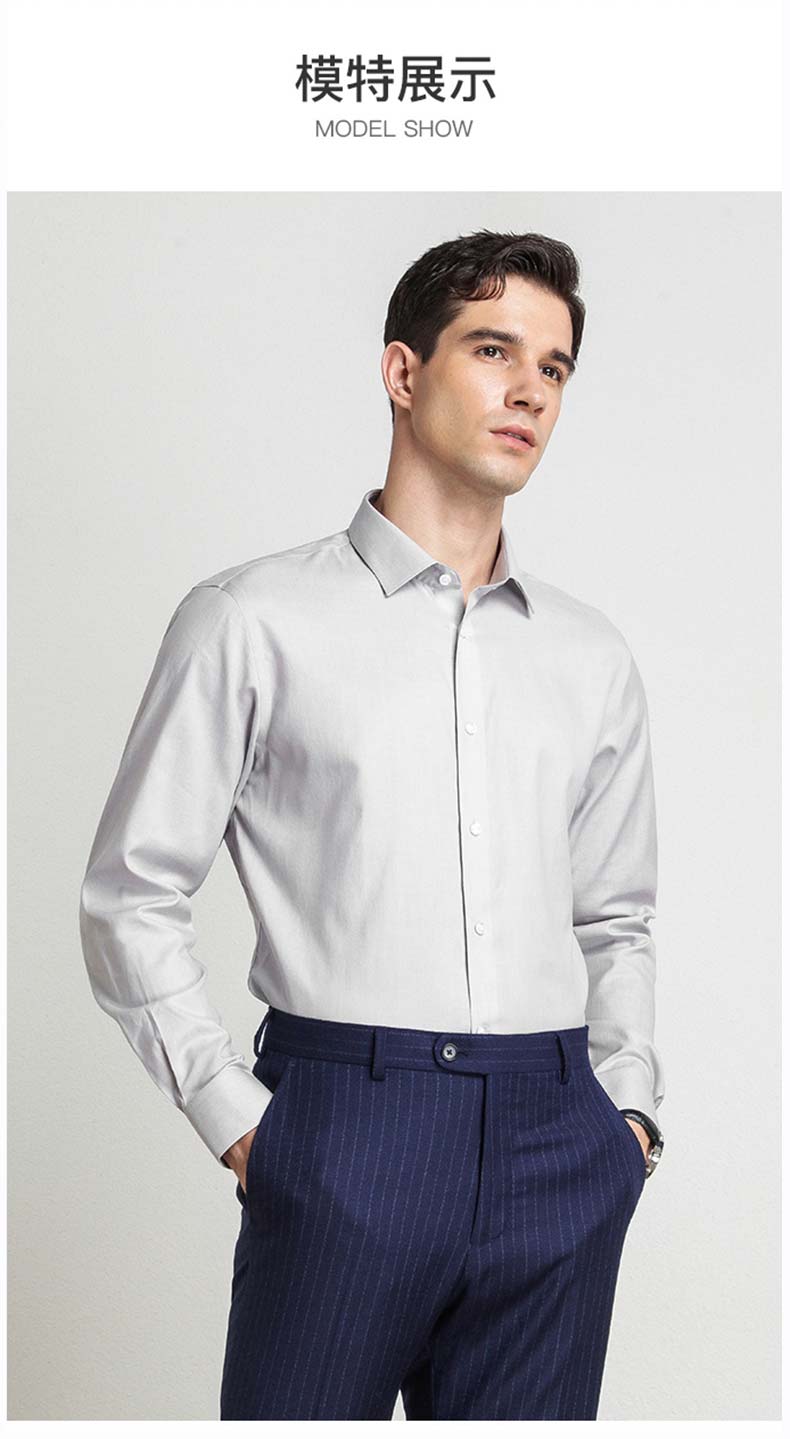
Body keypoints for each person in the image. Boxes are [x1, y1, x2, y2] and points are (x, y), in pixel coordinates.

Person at [79, 228, 666, 1421]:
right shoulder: (251, 619)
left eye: (552, 366)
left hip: (558, 1136)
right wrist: (242, 1124)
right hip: (344, 1127)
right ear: (403, 371)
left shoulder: (589, 655)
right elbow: (130, 892)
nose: (528, 389)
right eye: (492, 349)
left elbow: (617, 915)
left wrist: (628, 1117)